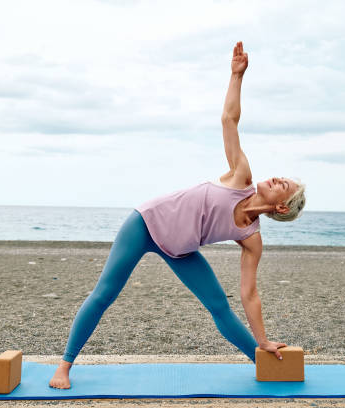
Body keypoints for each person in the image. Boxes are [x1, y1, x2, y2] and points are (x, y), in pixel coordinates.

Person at [49, 41, 306, 389]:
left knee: (219, 306)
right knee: (105, 293)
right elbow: (229, 119)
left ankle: (262, 361)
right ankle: (64, 366)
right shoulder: (240, 176)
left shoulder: (251, 238)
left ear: (281, 207)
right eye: (281, 176)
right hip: (145, 224)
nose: (277, 178)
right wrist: (236, 76)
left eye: (283, 185)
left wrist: (263, 339)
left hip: (180, 250)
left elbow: (249, 294)